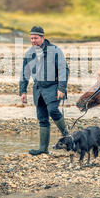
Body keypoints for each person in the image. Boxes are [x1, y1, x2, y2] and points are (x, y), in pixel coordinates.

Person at [19, 26, 70, 155]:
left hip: (53, 87)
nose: (33, 41)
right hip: (38, 90)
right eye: (31, 38)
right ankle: (43, 149)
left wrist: (62, 88)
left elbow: (64, 70)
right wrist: (23, 91)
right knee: (42, 118)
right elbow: (24, 74)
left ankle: (68, 136)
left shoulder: (55, 51)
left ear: (43, 37)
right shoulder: (29, 53)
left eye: (35, 38)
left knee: (52, 110)